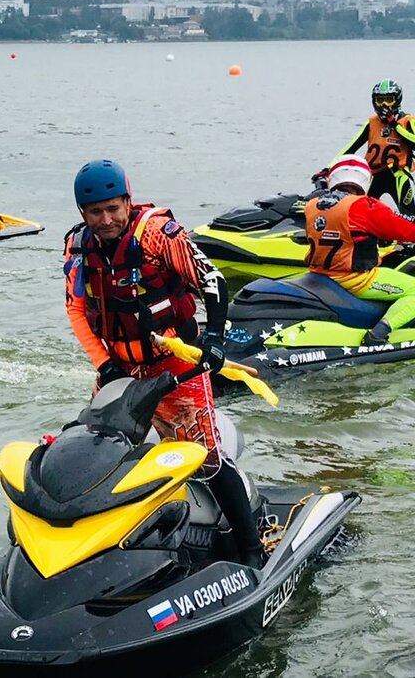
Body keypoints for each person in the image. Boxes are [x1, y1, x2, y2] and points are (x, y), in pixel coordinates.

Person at [63, 158, 265, 568]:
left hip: (174, 366)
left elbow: (213, 281)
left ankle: (251, 549)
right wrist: (104, 365)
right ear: (82, 212)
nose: (105, 220)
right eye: (95, 212)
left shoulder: (159, 235)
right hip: (119, 370)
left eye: (113, 209)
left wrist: (214, 339)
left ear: (128, 201)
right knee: (100, 453)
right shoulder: (77, 245)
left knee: (205, 457)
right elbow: (77, 310)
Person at [305, 155, 415, 346]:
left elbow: (345, 235)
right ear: (365, 179)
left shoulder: (312, 205)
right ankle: (379, 334)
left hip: (319, 274)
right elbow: (407, 230)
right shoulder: (364, 206)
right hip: (354, 280)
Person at [316, 79, 415, 214]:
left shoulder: (407, 121)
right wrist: (328, 168)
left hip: (398, 175)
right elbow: (351, 147)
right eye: (380, 100)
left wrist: (395, 125)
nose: (384, 105)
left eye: (389, 100)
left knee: (409, 213)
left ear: (397, 100)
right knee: (361, 210)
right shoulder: (372, 123)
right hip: (374, 175)